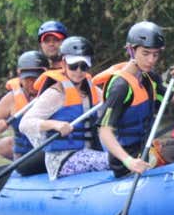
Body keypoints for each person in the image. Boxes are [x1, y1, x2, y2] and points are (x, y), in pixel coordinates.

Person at [98, 21, 174, 177]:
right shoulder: (120, 87)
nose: (151, 60)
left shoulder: (150, 78)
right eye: (145, 53)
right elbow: (104, 131)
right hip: (130, 160)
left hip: (148, 147)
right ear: (131, 51)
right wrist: (128, 161)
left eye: (155, 54)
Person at [20, 36, 108, 180]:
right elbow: (25, 124)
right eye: (73, 66)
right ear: (63, 63)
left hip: (89, 152)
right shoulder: (55, 93)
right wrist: (53, 124)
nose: (78, 71)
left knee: (121, 155)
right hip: (62, 160)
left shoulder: (94, 92)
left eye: (83, 66)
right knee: (113, 160)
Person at [0, 51, 49, 175]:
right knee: (3, 145)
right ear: (20, 77)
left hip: (49, 150)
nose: (32, 83)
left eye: (36, 79)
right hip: (24, 155)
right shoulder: (11, 98)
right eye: (27, 79)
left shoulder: (54, 92)